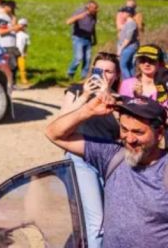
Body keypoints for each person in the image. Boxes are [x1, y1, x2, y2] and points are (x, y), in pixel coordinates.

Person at [45, 92, 168, 247]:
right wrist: (88, 110)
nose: (130, 139)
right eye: (124, 129)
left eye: (138, 132)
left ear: (159, 133)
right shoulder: (112, 156)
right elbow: (54, 134)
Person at [57, 52, 121, 248]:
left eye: (108, 71)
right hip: (80, 158)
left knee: (108, 219)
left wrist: (108, 97)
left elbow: (123, 131)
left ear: (117, 75)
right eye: (98, 70)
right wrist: (85, 96)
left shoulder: (121, 100)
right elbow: (60, 123)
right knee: (97, 222)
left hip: (108, 161)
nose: (103, 75)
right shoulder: (76, 91)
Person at [118, 44, 168, 109]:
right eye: (142, 60)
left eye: (151, 60)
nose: (147, 64)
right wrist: (136, 97)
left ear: (160, 63)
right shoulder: (127, 84)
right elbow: (122, 109)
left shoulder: (166, 85)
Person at [66, 0, 99, 80]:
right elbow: (68, 22)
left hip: (88, 39)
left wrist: (94, 38)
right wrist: (82, 15)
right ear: (89, 7)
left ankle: (84, 76)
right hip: (78, 38)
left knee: (87, 59)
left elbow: (92, 27)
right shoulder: (80, 12)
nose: (96, 10)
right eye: (95, 8)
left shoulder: (94, 15)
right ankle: (70, 73)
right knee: (78, 58)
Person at [117, 6, 139, 79]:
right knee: (129, 66)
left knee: (123, 65)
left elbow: (128, 38)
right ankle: (132, 82)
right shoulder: (128, 23)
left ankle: (127, 82)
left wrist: (121, 49)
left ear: (128, 13)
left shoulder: (131, 23)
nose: (121, 14)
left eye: (123, 12)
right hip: (128, 47)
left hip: (128, 47)